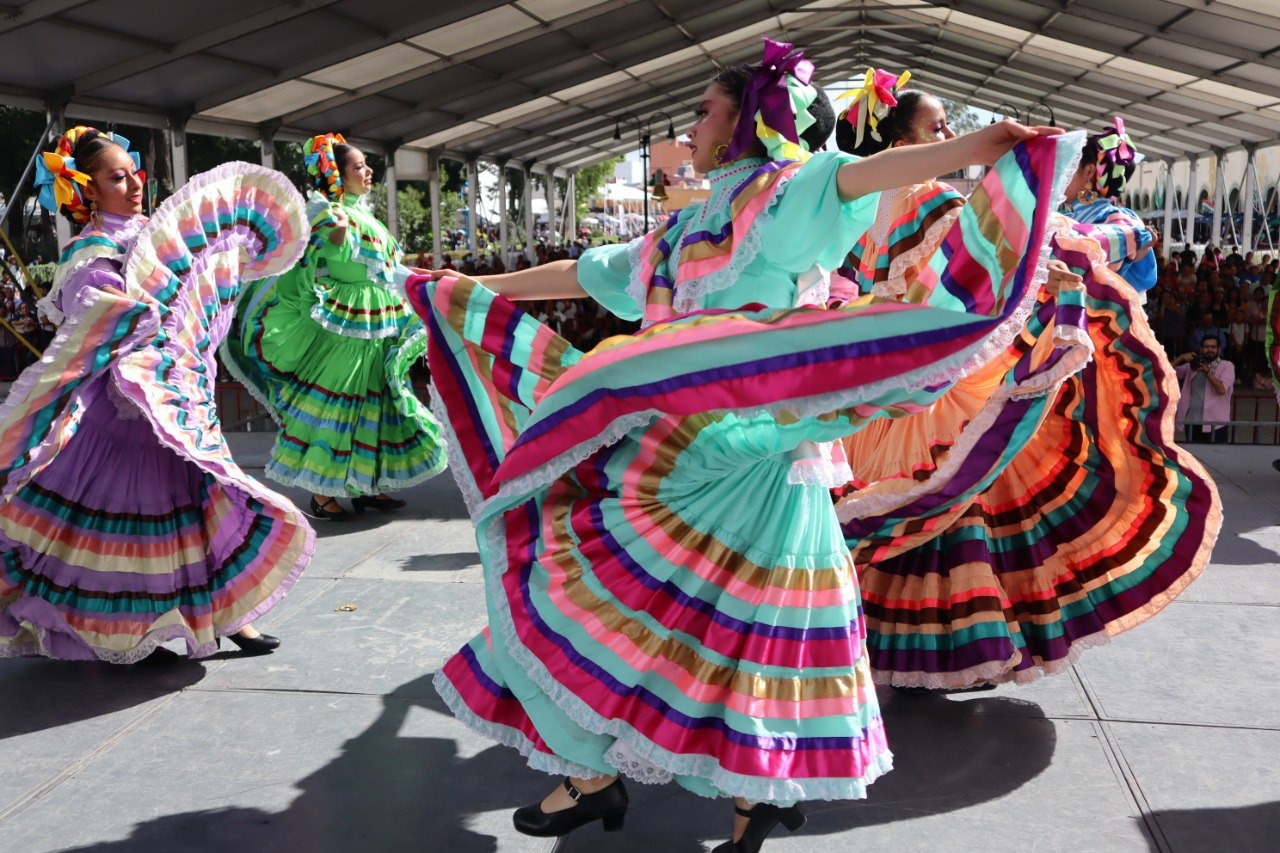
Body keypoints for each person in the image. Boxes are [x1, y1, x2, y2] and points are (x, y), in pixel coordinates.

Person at [406, 40, 1080, 852]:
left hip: (759, 455)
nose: (690, 126)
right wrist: (459, 289)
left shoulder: (800, 194)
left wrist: (983, 146)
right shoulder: (684, 228)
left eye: (703, 110)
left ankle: (747, 798)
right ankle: (599, 775)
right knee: (582, 590)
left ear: (746, 121)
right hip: (667, 457)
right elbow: (584, 274)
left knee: (755, 626)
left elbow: (880, 170)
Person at [829, 72, 1220, 689]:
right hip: (941, 378)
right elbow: (1022, 248)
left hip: (886, 385)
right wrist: (1125, 235)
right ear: (904, 138)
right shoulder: (932, 200)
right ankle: (958, 653)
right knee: (963, 496)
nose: (950, 134)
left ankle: (880, 645)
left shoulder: (857, 208)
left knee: (901, 502)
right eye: (937, 127)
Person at [0, 126, 313, 661]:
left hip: (180, 398)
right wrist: (134, 312)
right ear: (88, 190)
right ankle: (120, 627)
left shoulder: (163, 233)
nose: (134, 184)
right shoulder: (87, 255)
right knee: (129, 525)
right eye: (117, 177)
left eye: (134, 173)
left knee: (202, 506)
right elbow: (93, 319)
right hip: (125, 418)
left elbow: (201, 293)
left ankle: (222, 617)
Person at [222, 134, 445, 521]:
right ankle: (321, 494)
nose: (368, 171)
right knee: (338, 403)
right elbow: (328, 250)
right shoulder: (327, 210)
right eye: (358, 166)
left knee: (375, 402)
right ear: (337, 175)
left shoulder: (360, 212)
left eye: (364, 165)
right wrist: (336, 230)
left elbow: (383, 266)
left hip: (377, 319)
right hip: (348, 322)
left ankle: (367, 485)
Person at [1061, 118, 1157, 294]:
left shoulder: (1067, 221)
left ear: (1089, 172)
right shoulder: (1126, 221)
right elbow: (1145, 279)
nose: (1061, 177)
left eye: (1070, 169)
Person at [1175, 334, 1234, 443]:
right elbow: (1166, 373)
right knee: (1194, 457)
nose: (1209, 350)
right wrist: (1180, 358)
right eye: (1206, 347)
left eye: (1213, 347)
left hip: (1216, 423)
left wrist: (1207, 372)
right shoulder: (1192, 366)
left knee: (1215, 458)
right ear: (1201, 349)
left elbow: (1221, 390)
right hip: (1192, 421)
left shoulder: (1227, 366)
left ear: (1218, 349)